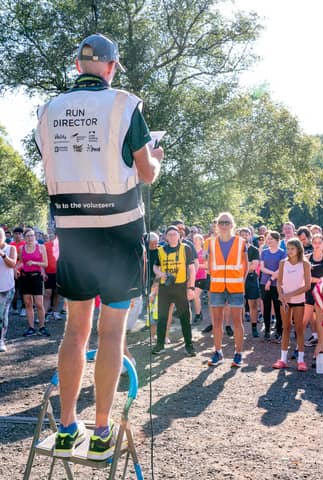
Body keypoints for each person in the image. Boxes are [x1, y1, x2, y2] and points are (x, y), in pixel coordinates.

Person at [34, 33, 162, 460]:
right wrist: (156, 156)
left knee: (74, 331)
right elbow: (146, 174)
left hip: (73, 231)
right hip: (119, 232)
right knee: (111, 333)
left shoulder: (47, 110)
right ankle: (102, 429)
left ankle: (68, 427)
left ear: (77, 66)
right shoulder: (125, 104)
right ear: (111, 67)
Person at [207, 212, 248, 368]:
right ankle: (217, 352)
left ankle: (238, 353)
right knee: (217, 321)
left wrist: (241, 282)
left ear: (232, 225)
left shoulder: (241, 242)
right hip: (217, 286)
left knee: (237, 321)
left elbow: (246, 264)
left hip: (235, 287)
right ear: (217, 225)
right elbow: (209, 264)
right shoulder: (210, 242)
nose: (224, 225)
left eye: (227, 222)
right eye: (221, 222)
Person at [151, 226, 197, 356]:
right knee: (162, 317)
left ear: (179, 236)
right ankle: (160, 345)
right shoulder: (160, 250)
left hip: (181, 287)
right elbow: (155, 266)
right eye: (169, 234)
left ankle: (189, 346)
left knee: (185, 317)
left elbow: (192, 269)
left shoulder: (185, 248)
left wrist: (191, 287)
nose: (172, 236)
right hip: (165, 288)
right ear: (165, 236)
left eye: (174, 234)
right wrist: (160, 274)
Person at [272, 238, 311, 371]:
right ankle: (283, 359)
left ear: (298, 249)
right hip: (285, 301)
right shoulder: (283, 263)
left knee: (299, 328)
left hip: (299, 301)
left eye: (292, 248)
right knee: (286, 328)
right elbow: (279, 282)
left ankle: (300, 360)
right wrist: (282, 296)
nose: (289, 251)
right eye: (288, 248)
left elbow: (307, 286)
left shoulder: (305, 264)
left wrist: (290, 295)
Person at [303, 234, 323, 347]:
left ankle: (321, 345)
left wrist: (313, 279)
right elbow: (303, 276)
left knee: (320, 319)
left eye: (319, 242)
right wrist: (309, 279)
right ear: (312, 243)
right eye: (314, 242)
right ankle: (300, 346)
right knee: (306, 319)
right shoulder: (307, 258)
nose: (317, 245)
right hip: (308, 291)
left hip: (321, 291)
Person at [19, 229, 49, 337]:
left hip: (37, 277)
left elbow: (45, 264)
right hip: (25, 278)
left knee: (39, 304)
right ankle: (31, 328)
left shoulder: (41, 247)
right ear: (24, 237)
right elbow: (21, 263)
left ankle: (42, 327)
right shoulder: (21, 248)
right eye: (27, 236)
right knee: (27, 303)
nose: (30, 238)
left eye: (32, 235)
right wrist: (16, 270)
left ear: (35, 236)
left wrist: (34, 262)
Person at [259, 231, 286, 341]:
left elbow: (281, 269)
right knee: (266, 308)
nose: (269, 241)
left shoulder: (282, 253)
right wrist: (271, 277)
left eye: (271, 239)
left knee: (277, 308)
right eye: (268, 239)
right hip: (264, 283)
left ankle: (279, 331)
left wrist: (271, 279)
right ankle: (267, 331)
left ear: (277, 240)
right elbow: (262, 268)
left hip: (277, 284)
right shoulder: (264, 252)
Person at [238, 227, 261, 337]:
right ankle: (240, 329)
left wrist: (243, 267)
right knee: (239, 305)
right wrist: (247, 264)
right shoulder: (236, 250)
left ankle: (254, 328)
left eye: (246, 234)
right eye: (242, 234)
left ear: (250, 236)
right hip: (237, 280)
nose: (244, 236)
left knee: (253, 304)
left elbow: (253, 266)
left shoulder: (254, 250)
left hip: (251, 279)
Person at [0, 228, 17, 352]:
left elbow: (12, 264)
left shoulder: (11, 248)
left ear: (4, 237)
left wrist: (2, 254)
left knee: (2, 315)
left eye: (0, 235)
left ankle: (1, 340)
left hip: (6, 288)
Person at [191, 234, 208, 325]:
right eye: (194, 239)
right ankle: (199, 313)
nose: (195, 241)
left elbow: (207, 266)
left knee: (195, 296)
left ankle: (198, 315)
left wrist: (195, 265)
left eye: (197, 239)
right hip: (192, 277)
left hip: (202, 277)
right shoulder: (190, 251)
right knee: (193, 296)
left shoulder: (204, 252)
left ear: (202, 241)